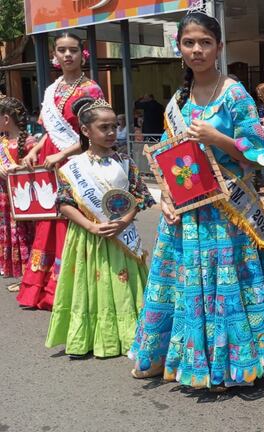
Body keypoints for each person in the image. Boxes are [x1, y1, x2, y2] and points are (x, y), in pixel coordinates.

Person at [129, 11, 264, 389]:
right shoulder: (178, 100)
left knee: (235, 283)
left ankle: (247, 361)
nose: (197, 49)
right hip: (190, 211)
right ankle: (179, 356)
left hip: (229, 213)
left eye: (205, 42)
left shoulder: (235, 95)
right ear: (180, 48)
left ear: (218, 48)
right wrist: (168, 197)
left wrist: (218, 139)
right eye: (190, 42)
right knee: (185, 285)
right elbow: (172, 156)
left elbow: (262, 155)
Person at [46, 97, 154, 358]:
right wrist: (91, 227)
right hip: (88, 238)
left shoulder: (126, 161)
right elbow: (64, 203)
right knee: (92, 286)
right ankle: (93, 336)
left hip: (121, 234)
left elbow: (138, 196)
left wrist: (125, 221)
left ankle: (130, 336)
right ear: (86, 131)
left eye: (114, 126)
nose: (110, 132)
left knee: (123, 285)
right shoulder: (73, 167)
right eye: (103, 127)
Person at [17, 31, 104, 310]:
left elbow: (96, 133)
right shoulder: (52, 89)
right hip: (49, 160)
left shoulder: (91, 89)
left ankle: (70, 287)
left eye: (73, 50)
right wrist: (33, 150)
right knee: (49, 220)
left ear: (83, 54)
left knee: (72, 219)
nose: (67, 55)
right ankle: (40, 287)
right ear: (54, 55)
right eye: (61, 50)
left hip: (75, 162)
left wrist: (63, 153)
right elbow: (47, 130)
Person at [0, 96, 34, 280]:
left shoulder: (30, 143)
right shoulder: (2, 143)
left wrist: (18, 168)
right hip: (4, 197)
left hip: (22, 198)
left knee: (23, 231)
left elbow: (38, 170)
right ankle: (15, 271)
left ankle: (27, 275)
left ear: (6, 119)